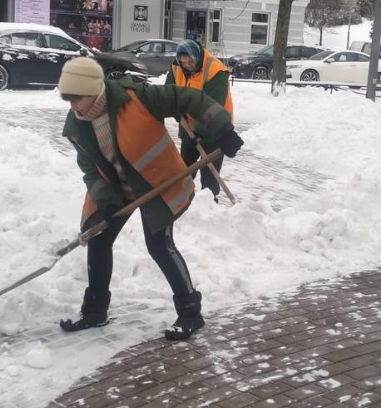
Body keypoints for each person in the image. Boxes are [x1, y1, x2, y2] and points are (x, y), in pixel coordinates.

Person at [57, 57, 243, 341]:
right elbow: (89, 168)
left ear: (95, 90)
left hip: (156, 180)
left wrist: (222, 130)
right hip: (116, 187)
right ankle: (94, 312)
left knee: (158, 245)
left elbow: (187, 98)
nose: (73, 107)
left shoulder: (137, 96)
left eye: (77, 98)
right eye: (68, 100)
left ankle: (190, 313)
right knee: (99, 239)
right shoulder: (77, 124)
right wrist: (105, 200)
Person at [165, 40, 234, 200]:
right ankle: (181, 205)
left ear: (197, 56)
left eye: (191, 62)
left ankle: (209, 208)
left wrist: (200, 132)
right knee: (184, 172)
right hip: (188, 130)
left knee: (210, 177)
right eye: (184, 62)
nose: (187, 65)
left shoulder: (215, 71)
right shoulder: (176, 67)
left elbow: (213, 106)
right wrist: (175, 111)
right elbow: (168, 93)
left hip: (216, 131)